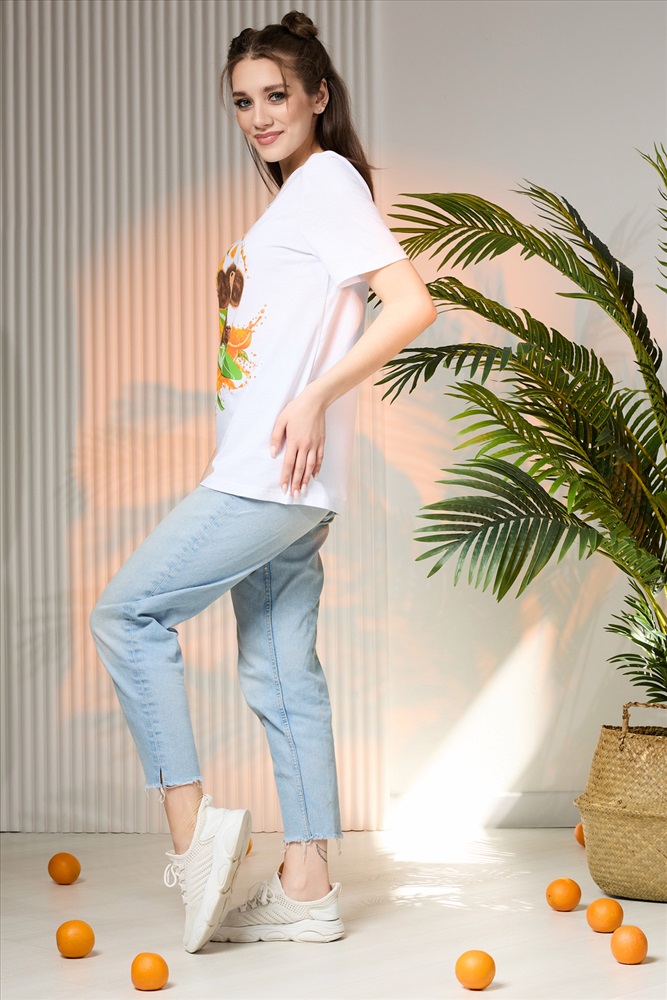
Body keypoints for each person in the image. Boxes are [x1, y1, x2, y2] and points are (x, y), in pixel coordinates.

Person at [89, 9, 436, 954]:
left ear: (318, 96)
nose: (259, 116)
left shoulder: (323, 182)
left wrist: (315, 396)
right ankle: (308, 887)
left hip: (265, 480)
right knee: (283, 674)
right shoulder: (298, 200)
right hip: (287, 481)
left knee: (128, 616)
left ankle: (191, 830)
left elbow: (410, 303)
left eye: (276, 95)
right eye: (242, 102)